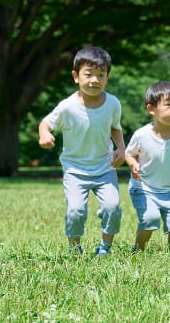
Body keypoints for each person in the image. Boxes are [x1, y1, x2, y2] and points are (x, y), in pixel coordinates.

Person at [38, 46, 125, 256]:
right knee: (76, 210)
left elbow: (115, 127)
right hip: (75, 169)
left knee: (113, 207)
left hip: (104, 167)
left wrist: (121, 148)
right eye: (88, 74)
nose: (94, 80)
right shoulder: (67, 106)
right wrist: (44, 135)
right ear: (76, 77)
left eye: (101, 75)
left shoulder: (113, 103)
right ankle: (74, 248)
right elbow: (45, 123)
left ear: (107, 77)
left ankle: (105, 247)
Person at [124, 81, 170, 252]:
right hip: (144, 188)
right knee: (149, 218)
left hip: (169, 191)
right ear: (151, 109)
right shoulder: (141, 134)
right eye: (168, 104)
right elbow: (129, 153)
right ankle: (138, 251)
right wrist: (133, 163)